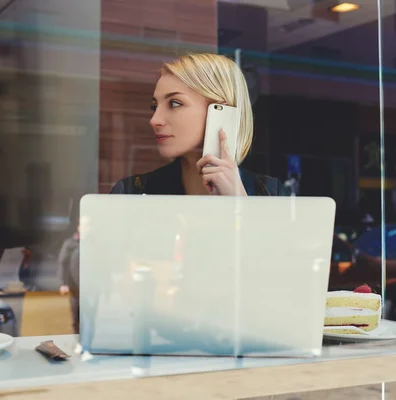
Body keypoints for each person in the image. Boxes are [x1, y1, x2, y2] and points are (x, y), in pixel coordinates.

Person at [111, 53, 288, 196]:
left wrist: (239, 204)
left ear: (221, 112)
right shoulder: (131, 192)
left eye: (174, 103)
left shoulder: (272, 194)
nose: (154, 120)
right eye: (154, 106)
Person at [58, 224, 80, 334]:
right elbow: (63, 263)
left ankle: (86, 344)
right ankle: (78, 340)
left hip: (91, 288)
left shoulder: (95, 243)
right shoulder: (70, 243)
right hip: (75, 287)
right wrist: (63, 283)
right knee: (76, 317)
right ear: (79, 227)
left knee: (90, 318)